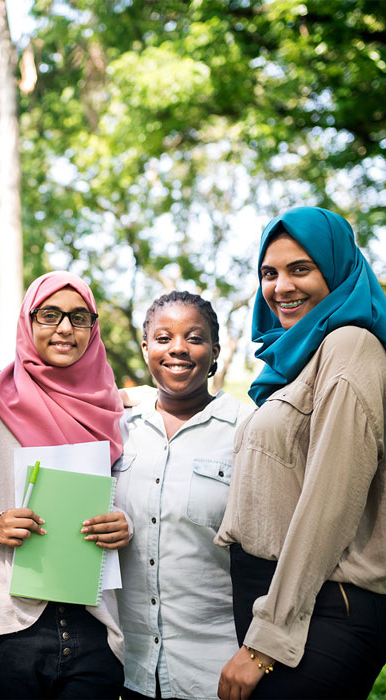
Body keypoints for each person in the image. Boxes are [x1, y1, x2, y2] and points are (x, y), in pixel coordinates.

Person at [216, 207, 386, 700]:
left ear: (336, 271)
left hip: (325, 605)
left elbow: (329, 502)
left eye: (300, 269)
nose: (281, 287)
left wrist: (266, 641)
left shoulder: (350, 346)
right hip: (283, 597)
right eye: (269, 273)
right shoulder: (300, 360)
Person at [0, 270, 129, 699]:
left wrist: (123, 523)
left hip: (94, 620)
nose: (64, 328)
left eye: (79, 317)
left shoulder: (112, 407)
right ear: (28, 319)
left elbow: (128, 495)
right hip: (13, 621)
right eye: (50, 314)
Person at [115, 291, 253, 700]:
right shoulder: (117, 429)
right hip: (126, 668)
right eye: (163, 338)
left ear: (214, 351)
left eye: (193, 338)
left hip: (214, 670)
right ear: (146, 349)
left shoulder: (248, 430)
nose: (178, 348)